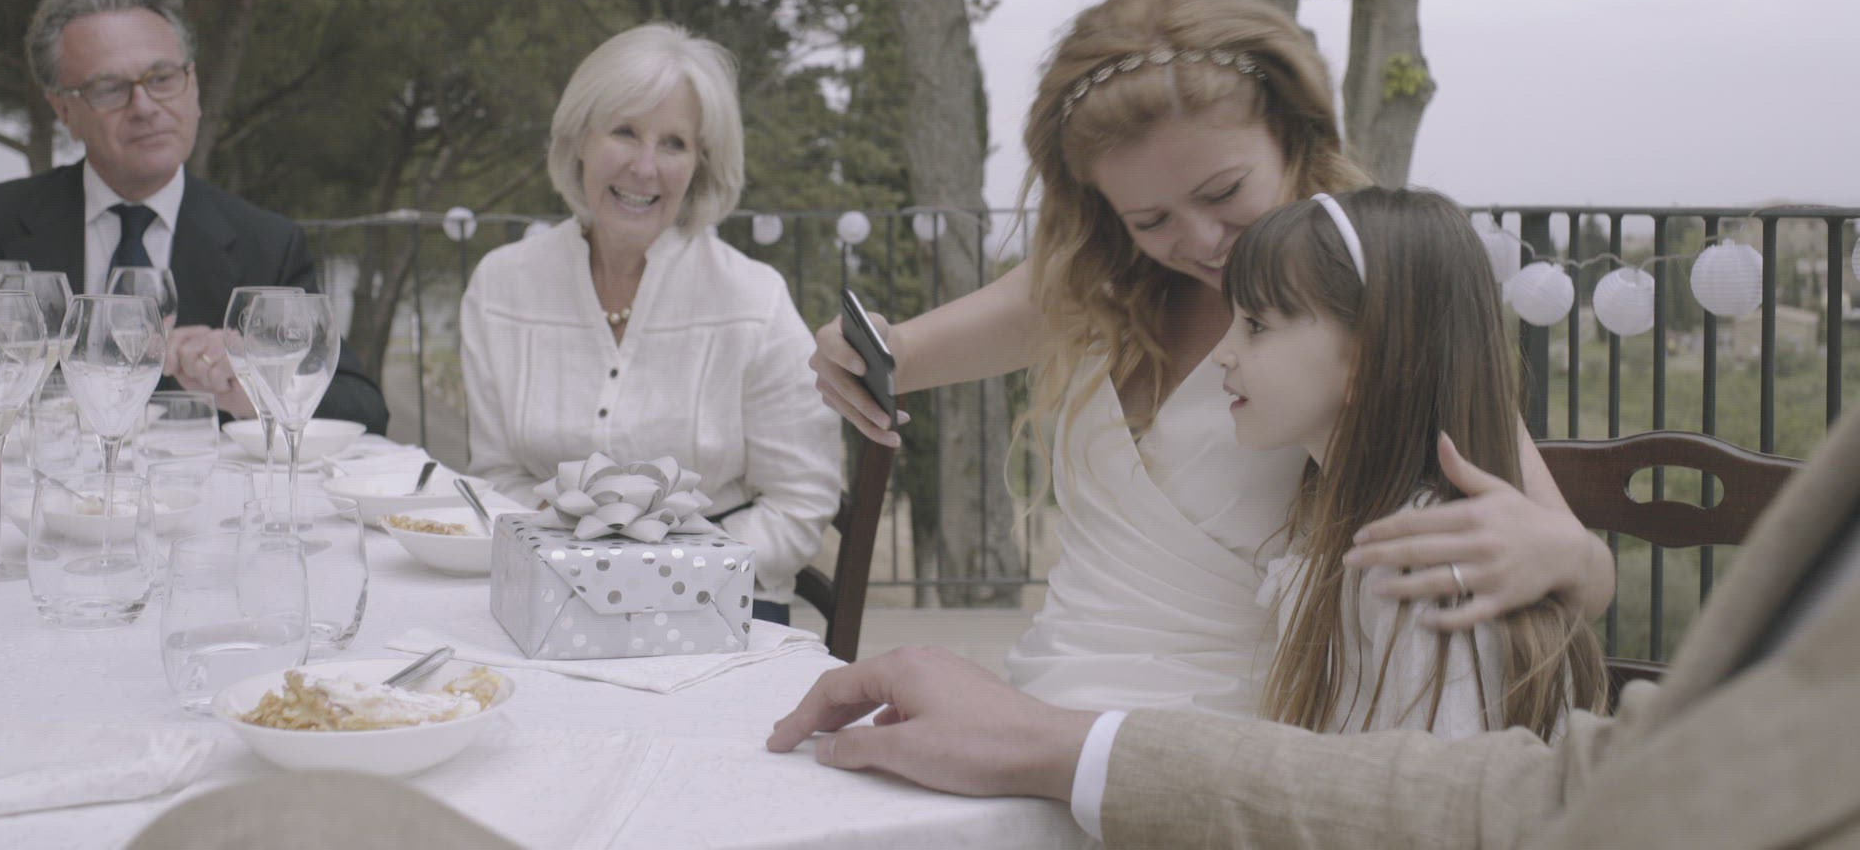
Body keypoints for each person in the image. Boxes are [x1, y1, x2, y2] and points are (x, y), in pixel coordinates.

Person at [809, 0, 1613, 712]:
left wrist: (1570, 559)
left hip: (1227, 744)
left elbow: (1576, 566)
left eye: (1224, 192)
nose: (1199, 240)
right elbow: (897, 351)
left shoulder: (1370, 299)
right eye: (1150, 218)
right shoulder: (1095, 283)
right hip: (1038, 700)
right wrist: (855, 351)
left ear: (1293, 136)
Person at [768, 406, 1860, 848]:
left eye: (1259, 322)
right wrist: (1050, 737)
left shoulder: (1407, 567)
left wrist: (1578, 560)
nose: (1226, 355)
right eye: (1140, 215)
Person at [459, 22, 841, 625]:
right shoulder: (500, 285)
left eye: (673, 144)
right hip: (552, 592)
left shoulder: (755, 300)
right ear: (579, 139)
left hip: (716, 604)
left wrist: (661, 577)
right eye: (625, 132)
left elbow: (800, 501)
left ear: (700, 165)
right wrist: (577, 568)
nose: (644, 167)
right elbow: (496, 476)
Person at [1216, 187, 1605, 738]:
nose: (1222, 353)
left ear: (1369, 355)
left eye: (1255, 324)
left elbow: (1445, 781)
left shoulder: (1424, 563)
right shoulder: (1357, 521)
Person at [0, 0, 388, 434]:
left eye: (163, 78)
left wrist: (255, 383)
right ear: (64, 110)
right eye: (110, 88)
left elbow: (364, 409)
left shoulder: (268, 244)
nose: (145, 106)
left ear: (194, 86)